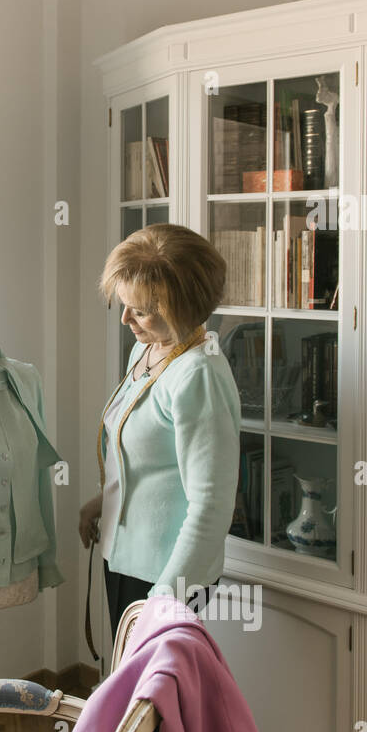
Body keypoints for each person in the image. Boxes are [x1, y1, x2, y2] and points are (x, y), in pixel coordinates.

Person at [80, 223, 240, 633]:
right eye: (123, 304)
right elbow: (149, 456)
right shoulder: (147, 348)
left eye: (141, 309)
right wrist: (105, 501)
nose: (125, 319)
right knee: (129, 688)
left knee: (153, 696)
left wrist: (165, 599)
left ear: (183, 305)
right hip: (126, 557)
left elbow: (211, 506)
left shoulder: (198, 375)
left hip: (165, 574)